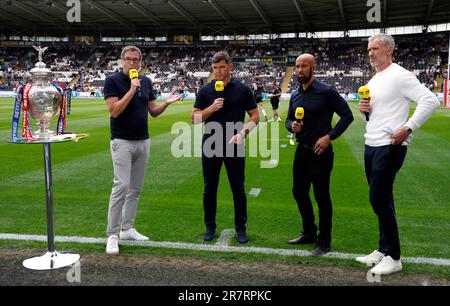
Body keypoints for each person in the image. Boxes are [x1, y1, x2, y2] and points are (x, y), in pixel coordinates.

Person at [356, 34, 439, 275]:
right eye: (369, 49)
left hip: (389, 145)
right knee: (382, 198)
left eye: (375, 48)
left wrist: (408, 127)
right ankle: (383, 250)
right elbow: (373, 116)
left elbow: (430, 100)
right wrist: (365, 112)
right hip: (371, 143)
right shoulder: (374, 80)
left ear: (389, 49)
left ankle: (394, 256)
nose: (370, 53)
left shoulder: (400, 75)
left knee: (378, 199)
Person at [103, 46, 181, 255]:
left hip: (143, 141)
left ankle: (127, 229)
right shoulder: (113, 81)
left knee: (135, 189)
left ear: (140, 62)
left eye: (135, 60)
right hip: (122, 141)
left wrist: (167, 103)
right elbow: (115, 111)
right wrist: (131, 89)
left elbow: (153, 112)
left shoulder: (146, 81)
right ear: (122, 61)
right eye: (128, 59)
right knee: (121, 186)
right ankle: (112, 234)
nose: (132, 63)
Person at [285, 54, 354, 256]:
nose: (299, 70)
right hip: (302, 150)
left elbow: (347, 116)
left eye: (303, 66)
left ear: (313, 67)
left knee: (321, 197)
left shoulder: (327, 92)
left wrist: (329, 137)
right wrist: (292, 126)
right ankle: (309, 233)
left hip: (321, 153)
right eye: (297, 66)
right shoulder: (295, 94)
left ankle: (324, 241)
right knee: (298, 192)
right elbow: (288, 120)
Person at [192, 51, 259, 244]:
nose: (218, 72)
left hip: (234, 144)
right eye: (214, 68)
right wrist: (211, 108)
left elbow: (255, 117)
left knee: (238, 188)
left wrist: (243, 132)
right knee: (209, 189)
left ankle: (241, 228)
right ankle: (210, 227)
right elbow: (195, 119)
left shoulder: (243, 90)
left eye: (222, 67)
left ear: (230, 66)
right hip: (210, 143)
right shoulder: (205, 91)